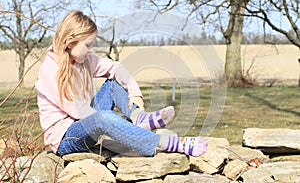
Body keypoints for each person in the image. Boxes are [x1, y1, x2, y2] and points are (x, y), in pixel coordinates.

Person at [35, 10, 207, 157]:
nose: (91, 50)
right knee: (103, 118)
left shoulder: (83, 61)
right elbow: (79, 112)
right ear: (70, 42)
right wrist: (117, 125)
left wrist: (135, 96)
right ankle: (166, 143)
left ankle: (138, 117)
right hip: (67, 139)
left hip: (87, 120)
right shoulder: (51, 70)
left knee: (113, 83)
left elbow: (116, 68)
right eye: (88, 45)